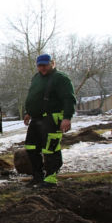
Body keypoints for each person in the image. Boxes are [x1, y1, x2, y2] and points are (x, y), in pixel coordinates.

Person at [23, 54, 76, 187]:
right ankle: (37, 175)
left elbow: (69, 99)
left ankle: (51, 177)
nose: (43, 68)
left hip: (52, 118)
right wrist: (29, 112)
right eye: (40, 66)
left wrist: (67, 118)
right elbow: (34, 97)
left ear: (52, 63)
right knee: (31, 147)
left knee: (50, 148)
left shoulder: (60, 78)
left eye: (45, 65)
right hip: (36, 118)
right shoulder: (36, 78)